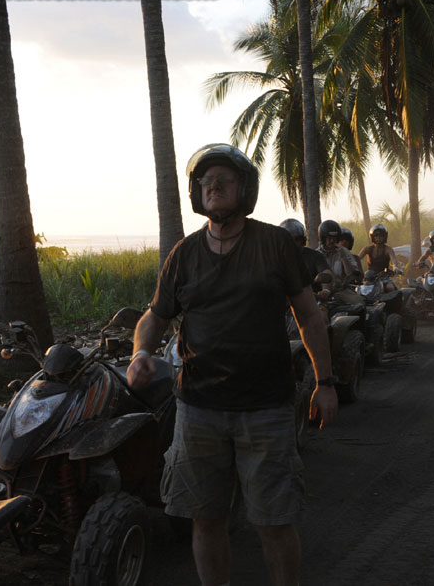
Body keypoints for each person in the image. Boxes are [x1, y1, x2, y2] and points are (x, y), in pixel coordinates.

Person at [127, 144, 338, 586]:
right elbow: (156, 315)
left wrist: (325, 381)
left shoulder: (276, 244)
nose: (214, 188)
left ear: (244, 190)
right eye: (207, 183)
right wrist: (140, 353)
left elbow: (308, 316)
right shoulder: (183, 254)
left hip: (266, 409)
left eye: (224, 181)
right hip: (198, 408)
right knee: (206, 518)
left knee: (274, 521)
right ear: (196, 194)